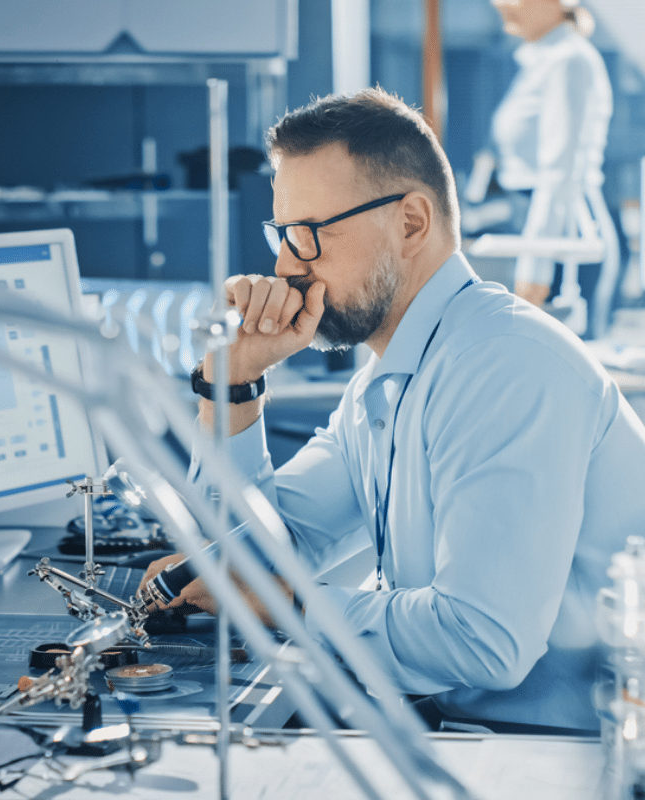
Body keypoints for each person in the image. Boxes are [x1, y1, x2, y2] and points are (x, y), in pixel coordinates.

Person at [141, 86, 645, 734]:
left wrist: (286, 603)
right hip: (459, 729)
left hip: (564, 757)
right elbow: (243, 556)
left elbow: (482, 643)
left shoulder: (505, 365)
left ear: (410, 222)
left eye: (309, 235)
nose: (284, 265)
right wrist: (233, 381)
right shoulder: (389, 380)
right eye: (282, 234)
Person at [463, 0, 619, 337]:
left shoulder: (569, 61)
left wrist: (536, 269)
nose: (500, 3)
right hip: (539, 229)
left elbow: (560, 174)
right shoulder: (541, 62)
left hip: (562, 239)